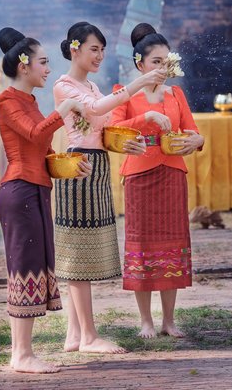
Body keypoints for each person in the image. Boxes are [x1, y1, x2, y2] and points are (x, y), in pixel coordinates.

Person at [53, 22, 167, 354]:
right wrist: (137, 86)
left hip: (96, 165)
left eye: (102, 49)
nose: (99, 55)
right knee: (78, 254)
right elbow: (93, 111)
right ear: (75, 50)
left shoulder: (90, 84)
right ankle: (88, 336)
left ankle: (75, 335)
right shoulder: (65, 86)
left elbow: (106, 124)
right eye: (94, 49)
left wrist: (128, 139)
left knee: (84, 252)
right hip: (80, 167)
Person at [0, 27, 91, 373]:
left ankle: (24, 352)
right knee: (24, 270)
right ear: (24, 66)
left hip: (35, 190)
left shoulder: (31, 102)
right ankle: (20, 355)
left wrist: (68, 167)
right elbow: (35, 133)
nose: (48, 69)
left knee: (34, 268)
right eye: (44, 62)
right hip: (18, 191)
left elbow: (43, 150)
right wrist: (64, 108)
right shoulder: (6, 100)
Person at [110, 23, 203, 338]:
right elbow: (114, 129)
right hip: (139, 176)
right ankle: (146, 321)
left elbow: (193, 130)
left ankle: (169, 320)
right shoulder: (125, 94)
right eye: (156, 62)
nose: (163, 68)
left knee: (172, 246)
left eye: (167, 62)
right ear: (140, 64)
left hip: (173, 174)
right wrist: (146, 118)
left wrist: (196, 140)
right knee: (143, 246)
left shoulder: (176, 93)